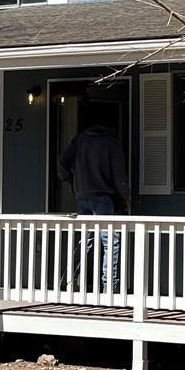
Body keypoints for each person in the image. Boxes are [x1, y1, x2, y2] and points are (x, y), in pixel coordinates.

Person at [58, 113, 130, 291]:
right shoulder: (112, 143)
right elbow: (120, 176)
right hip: (104, 198)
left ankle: (70, 281)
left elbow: (62, 163)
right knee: (110, 241)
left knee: (84, 240)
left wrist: (71, 182)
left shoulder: (80, 140)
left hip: (82, 196)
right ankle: (109, 285)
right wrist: (127, 198)